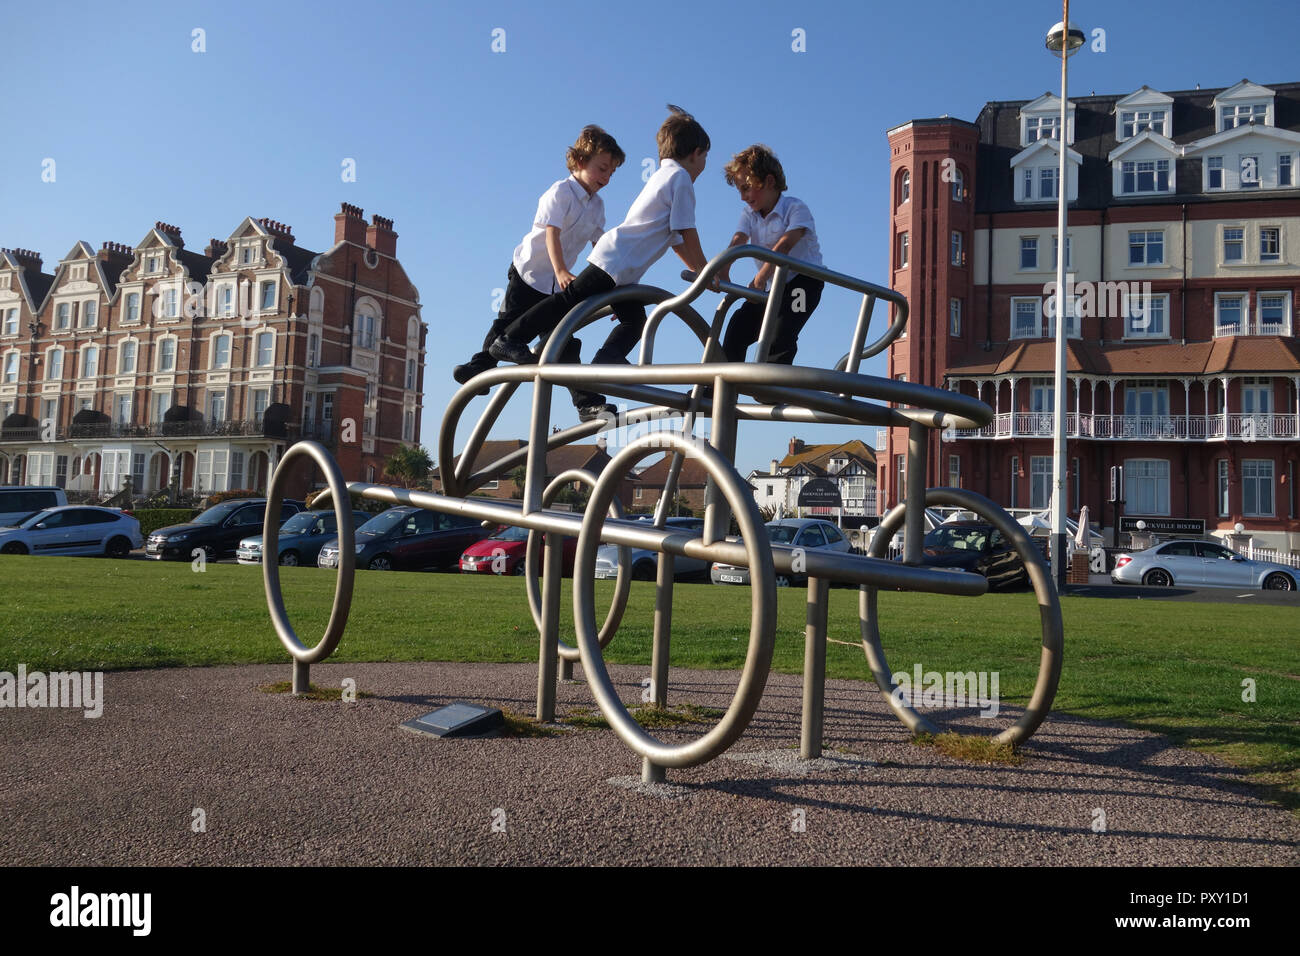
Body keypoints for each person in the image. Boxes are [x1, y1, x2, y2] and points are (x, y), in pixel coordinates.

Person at [487, 105, 713, 421]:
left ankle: (607, 358)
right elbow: (688, 231)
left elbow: (676, 239)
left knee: (635, 320)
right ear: (695, 152)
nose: (704, 165)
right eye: (705, 158)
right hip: (615, 260)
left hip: (625, 270)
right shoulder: (681, 179)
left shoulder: (665, 176)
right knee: (567, 301)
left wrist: (698, 271)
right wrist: (707, 270)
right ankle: (510, 338)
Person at [453, 125, 625, 396]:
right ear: (580, 161)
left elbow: (600, 247)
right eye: (602, 169)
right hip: (530, 272)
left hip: (555, 287)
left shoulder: (597, 206)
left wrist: (614, 292)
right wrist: (561, 270)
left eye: (612, 172)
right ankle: (479, 368)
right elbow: (551, 233)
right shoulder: (561, 192)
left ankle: (585, 400)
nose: (607, 177)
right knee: (506, 324)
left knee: (562, 339)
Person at [717, 144, 824, 365]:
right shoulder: (749, 213)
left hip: (804, 284)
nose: (743, 197)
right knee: (738, 325)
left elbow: (784, 246)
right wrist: (723, 269)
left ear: (769, 182)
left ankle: (772, 389)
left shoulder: (795, 208)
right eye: (739, 190)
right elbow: (738, 240)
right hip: (773, 285)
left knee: (779, 333)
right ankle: (717, 388)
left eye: (746, 188)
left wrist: (760, 278)